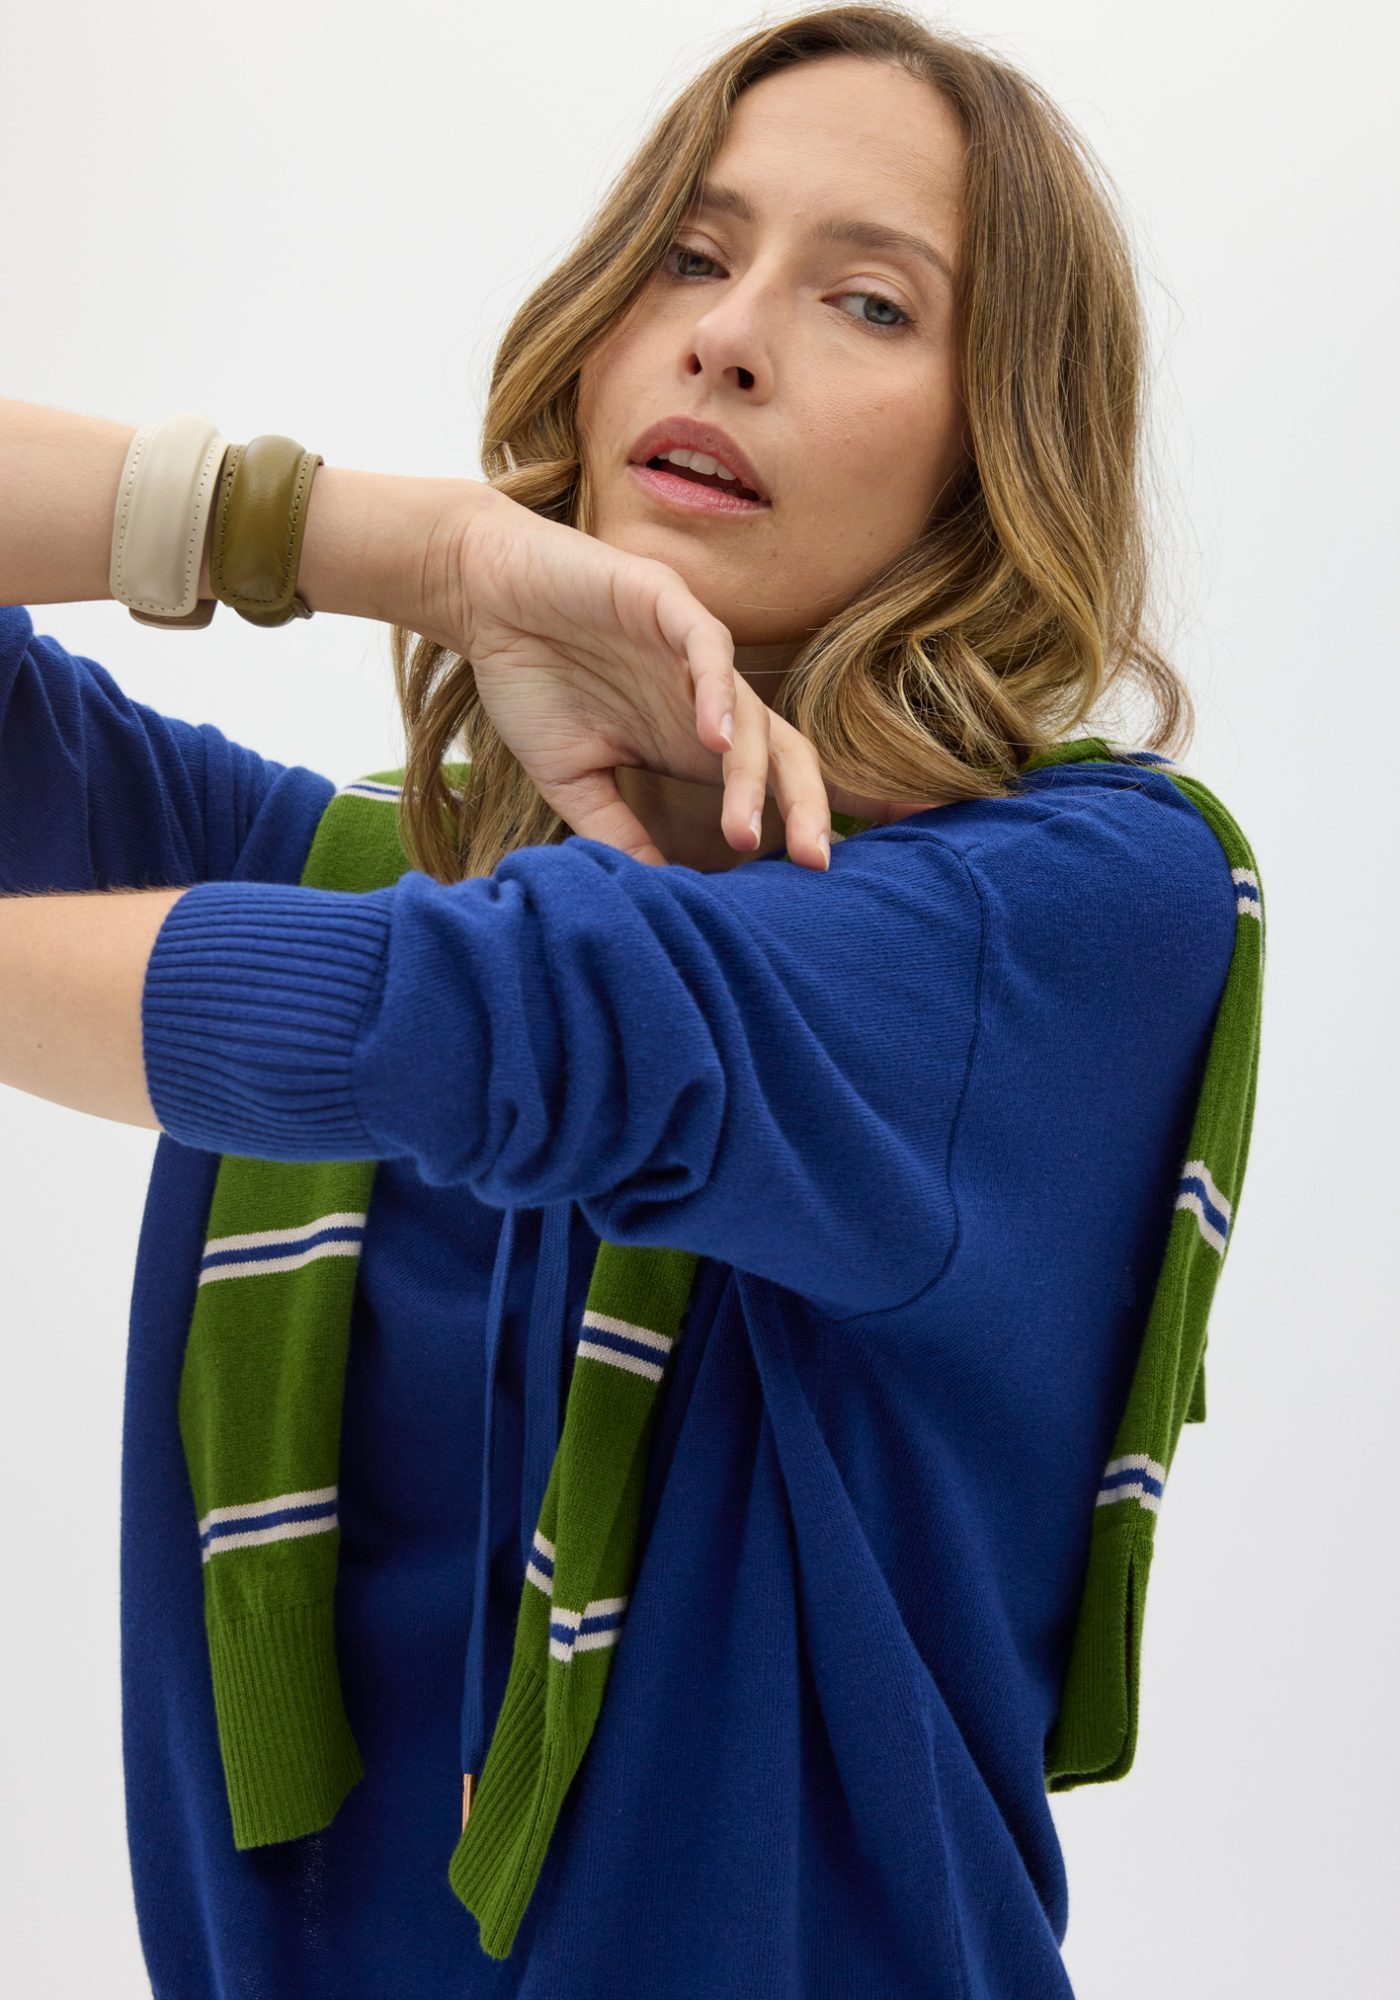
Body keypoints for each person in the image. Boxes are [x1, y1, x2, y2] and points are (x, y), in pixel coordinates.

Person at [0, 7, 1256, 1995]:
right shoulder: (345, 879)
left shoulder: (1075, 911)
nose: (729, 337)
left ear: (992, 448)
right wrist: (378, 539)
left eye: (867, 301)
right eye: (688, 253)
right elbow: (451, 977)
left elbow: (501, 1024)